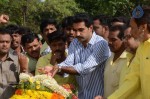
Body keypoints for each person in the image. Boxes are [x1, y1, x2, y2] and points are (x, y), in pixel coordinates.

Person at [39, 13, 110, 99]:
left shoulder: (101, 44)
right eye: (75, 30)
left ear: (90, 28)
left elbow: (85, 68)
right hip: (81, 95)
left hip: (99, 95)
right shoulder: (75, 42)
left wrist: (59, 67)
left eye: (81, 30)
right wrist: (56, 67)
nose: (77, 34)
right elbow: (68, 62)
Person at [96, 6, 150, 99]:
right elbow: (132, 80)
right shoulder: (142, 48)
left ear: (143, 27)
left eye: (133, 28)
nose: (132, 33)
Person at [103, 25, 127, 97]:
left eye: (113, 40)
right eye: (109, 39)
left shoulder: (129, 60)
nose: (109, 42)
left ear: (124, 40)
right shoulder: (109, 58)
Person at [0, 27, 20, 99]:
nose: (5, 44)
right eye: (1, 42)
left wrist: (25, 69)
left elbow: (24, 83)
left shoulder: (17, 61)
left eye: (7, 42)